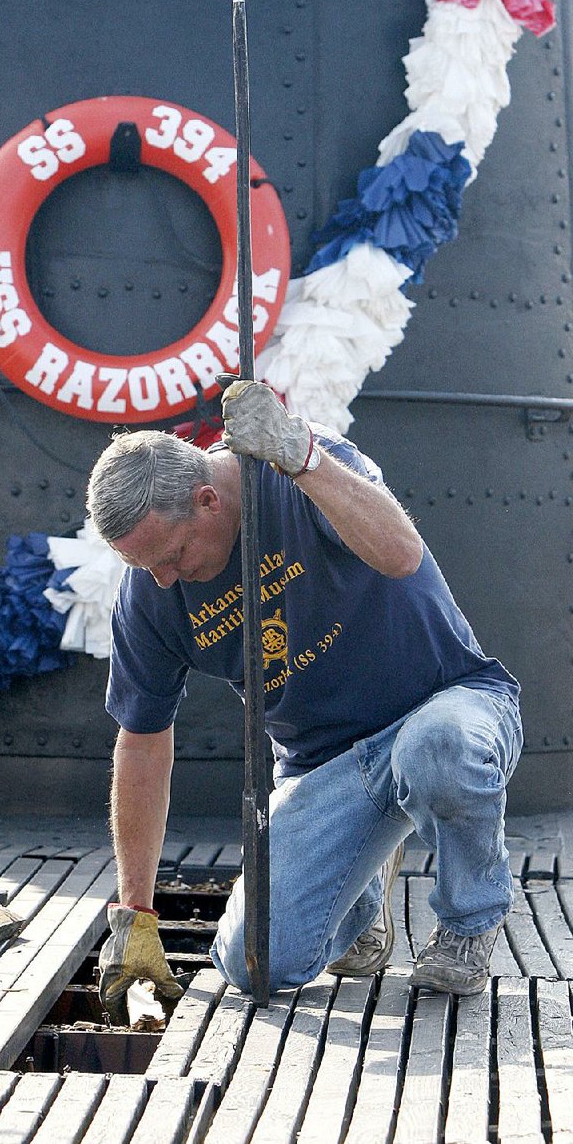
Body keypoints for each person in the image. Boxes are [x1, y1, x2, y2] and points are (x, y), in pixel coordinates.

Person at [87, 381, 522, 1023]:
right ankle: (363, 891)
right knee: (254, 964)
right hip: (323, 765)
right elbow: (142, 738)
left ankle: (467, 923)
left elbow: (401, 554)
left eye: (173, 555)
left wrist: (303, 455)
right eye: (146, 565)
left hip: (444, 705)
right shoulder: (151, 592)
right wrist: (135, 909)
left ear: (208, 501)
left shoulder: (298, 475)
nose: (163, 579)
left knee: (438, 751)